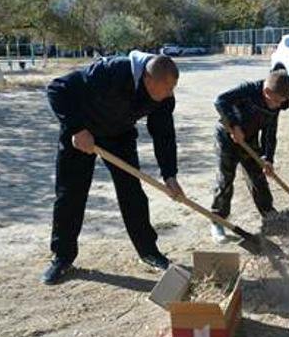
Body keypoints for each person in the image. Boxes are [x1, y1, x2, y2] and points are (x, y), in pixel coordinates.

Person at [41, 51, 184, 284]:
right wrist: (76, 128)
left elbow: (164, 134)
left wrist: (169, 174)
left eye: (172, 88)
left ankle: (148, 250)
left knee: (132, 194)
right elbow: (57, 89)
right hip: (83, 133)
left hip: (119, 135)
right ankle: (62, 256)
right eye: (166, 89)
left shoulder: (164, 96)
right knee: (70, 194)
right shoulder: (109, 72)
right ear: (148, 80)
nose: (170, 94)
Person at [209, 69, 289, 243]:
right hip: (227, 137)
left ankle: (269, 216)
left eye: (281, 102)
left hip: (250, 140)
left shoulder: (277, 103)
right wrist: (234, 125)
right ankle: (218, 221)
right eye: (276, 101)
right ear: (266, 92)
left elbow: (270, 133)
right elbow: (220, 100)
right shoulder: (249, 90)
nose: (278, 106)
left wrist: (268, 158)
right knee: (226, 179)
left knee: (258, 178)